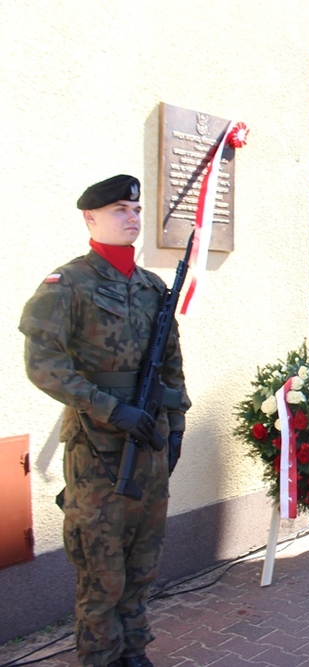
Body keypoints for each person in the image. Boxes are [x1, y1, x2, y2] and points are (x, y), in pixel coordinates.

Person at [19, 174, 190, 667]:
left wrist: (175, 426)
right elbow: (44, 365)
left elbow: (172, 363)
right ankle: (100, 656)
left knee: (142, 561)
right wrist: (112, 408)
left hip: (150, 442)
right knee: (101, 570)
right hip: (98, 451)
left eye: (135, 210)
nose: (132, 217)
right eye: (119, 209)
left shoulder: (153, 286)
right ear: (91, 218)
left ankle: (133, 651)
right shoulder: (66, 284)